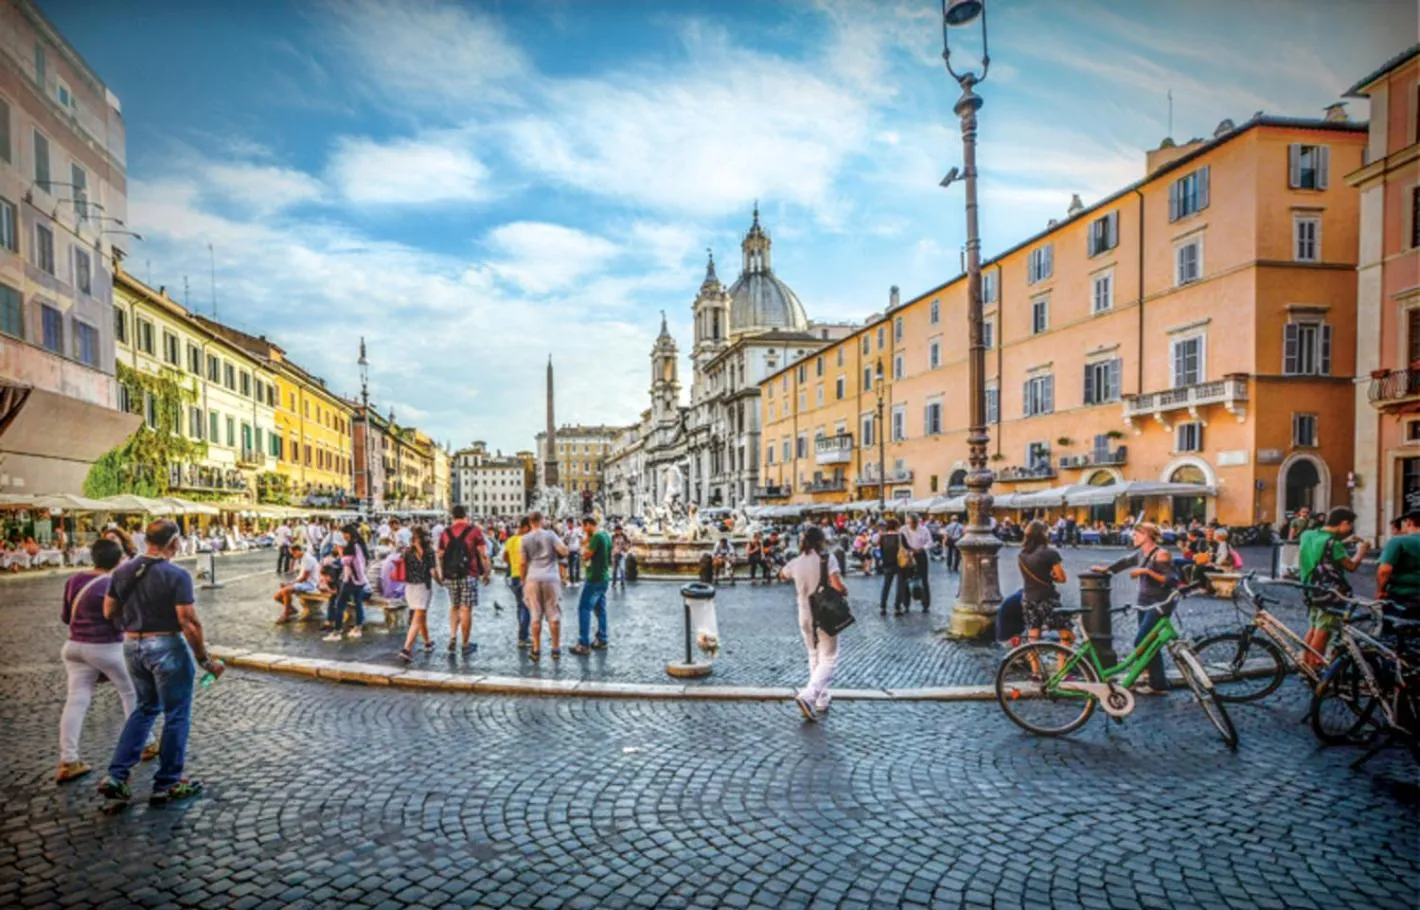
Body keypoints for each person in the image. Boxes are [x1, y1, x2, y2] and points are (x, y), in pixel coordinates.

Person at [97, 519, 223, 806]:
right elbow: (189, 622)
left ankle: (117, 775)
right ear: (174, 542)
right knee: (176, 713)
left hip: (132, 645)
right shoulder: (176, 575)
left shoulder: (123, 571)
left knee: (144, 708)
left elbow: (108, 610)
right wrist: (205, 660)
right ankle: (168, 782)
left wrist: (134, 619)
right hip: (166, 644)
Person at [56, 538, 158, 784]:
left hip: (73, 647)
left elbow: (65, 617)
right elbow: (118, 621)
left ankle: (68, 760)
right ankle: (147, 743)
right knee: (132, 693)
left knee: (76, 700)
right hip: (106, 647)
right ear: (119, 559)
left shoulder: (74, 580)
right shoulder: (114, 583)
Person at [1091, 522, 1178, 697]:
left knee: (1142, 642)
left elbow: (1170, 581)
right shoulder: (1140, 553)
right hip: (1144, 602)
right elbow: (1125, 562)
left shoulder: (1161, 555)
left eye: (1136, 534)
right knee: (1150, 643)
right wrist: (1107, 569)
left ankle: (1154, 680)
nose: (1133, 537)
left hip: (1159, 604)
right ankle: (1158, 683)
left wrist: (1146, 571)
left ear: (1146, 534)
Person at [781, 525, 847, 722]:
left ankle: (821, 698)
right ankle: (809, 695)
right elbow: (837, 585)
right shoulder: (827, 559)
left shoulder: (795, 562)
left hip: (804, 614)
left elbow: (782, 574)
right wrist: (844, 590)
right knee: (829, 657)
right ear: (820, 541)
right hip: (824, 612)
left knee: (813, 653)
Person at [1298, 507, 1369, 669]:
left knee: (1314, 626)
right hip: (1330, 592)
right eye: (1350, 525)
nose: (1350, 529)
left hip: (1311, 587)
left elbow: (1321, 547)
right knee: (1323, 631)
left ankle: (1305, 663)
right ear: (1343, 523)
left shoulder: (1308, 535)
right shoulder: (1333, 544)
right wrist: (1361, 551)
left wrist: (1343, 543)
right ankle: (1314, 668)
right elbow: (1351, 566)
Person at [437, 506, 490, 655]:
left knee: (454, 606)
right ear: (465, 515)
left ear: (452, 516)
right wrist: (486, 572)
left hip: (451, 574)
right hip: (469, 574)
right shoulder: (474, 531)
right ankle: (465, 644)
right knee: (466, 608)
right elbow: (483, 554)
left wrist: (442, 574)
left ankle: (453, 636)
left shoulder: (445, 533)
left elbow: (440, 555)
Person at [520, 511, 568, 661]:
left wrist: (523, 580)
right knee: (553, 614)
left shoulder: (524, 539)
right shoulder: (551, 534)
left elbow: (522, 563)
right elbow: (564, 552)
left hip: (533, 577)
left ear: (529, 522)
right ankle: (555, 649)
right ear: (542, 520)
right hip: (551, 577)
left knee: (535, 615)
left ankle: (536, 649)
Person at [1018, 520, 1069, 642]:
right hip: (1047, 598)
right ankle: (1061, 662)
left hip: (1028, 597)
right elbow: (1062, 578)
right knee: (1067, 635)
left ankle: (1034, 662)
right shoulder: (1049, 553)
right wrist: (1052, 577)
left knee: (1033, 635)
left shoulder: (1021, 554)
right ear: (1043, 534)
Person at [570, 515, 612, 656]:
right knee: (600, 609)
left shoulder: (596, 537)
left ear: (589, 524)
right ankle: (602, 638)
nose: (582, 529)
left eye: (583, 525)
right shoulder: (606, 535)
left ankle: (583, 644)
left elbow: (586, 555)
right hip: (604, 577)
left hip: (594, 578)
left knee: (584, 608)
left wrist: (583, 545)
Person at [323, 524, 370, 642]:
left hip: (351, 580)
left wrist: (340, 551)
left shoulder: (351, 546)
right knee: (358, 603)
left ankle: (337, 632)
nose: (344, 536)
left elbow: (345, 562)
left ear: (349, 533)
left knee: (339, 604)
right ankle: (358, 628)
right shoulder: (360, 544)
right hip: (361, 579)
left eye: (344, 533)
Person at [398, 527, 439, 661]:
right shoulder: (429, 552)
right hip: (423, 587)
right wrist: (440, 581)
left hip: (409, 587)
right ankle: (406, 649)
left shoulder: (407, 551)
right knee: (417, 618)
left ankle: (428, 642)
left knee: (421, 615)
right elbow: (433, 572)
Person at [1377, 510, 1420, 618]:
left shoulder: (1397, 541)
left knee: (1392, 631)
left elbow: (1384, 570)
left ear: (1409, 522)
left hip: (1403, 596)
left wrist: (1380, 591)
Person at [273, 544, 320, 623]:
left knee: (286, 590)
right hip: (304, 582)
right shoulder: (303, 558)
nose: (293, 556)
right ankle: (292, 609)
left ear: (297, 551)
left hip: (310, 584)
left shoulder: (307, 559)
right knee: (276, 596)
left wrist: (290, 583)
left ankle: (286, 614)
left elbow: (304, 578)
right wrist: (290, 583)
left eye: (293, 554)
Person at [505, 517, 531, 648]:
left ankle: (523, 632)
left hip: (514, 576)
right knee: (527, 607)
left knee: (520, 606)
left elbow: (504, 556)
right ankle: (523, 636)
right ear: (525, 527)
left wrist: (511, 563)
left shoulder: (510, 540)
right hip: (525, 576)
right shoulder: (526, 540)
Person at [878, 518, 910, 616]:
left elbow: (881, 550)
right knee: (899, 586)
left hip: (887, 563)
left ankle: (883, 607)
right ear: (896, 526)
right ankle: (897, 608)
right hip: (899, 563)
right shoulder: (900, 536)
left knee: (886, 586)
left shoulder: (882, 537)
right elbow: (907, 548)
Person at [903, 513, 933, 611]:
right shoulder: (904, 530)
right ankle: (906, 605)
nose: (912, 525)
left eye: (914, 523)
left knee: (924, 580)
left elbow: (930, 542)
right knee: (906, 580)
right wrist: (908, 550)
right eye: (911, 523)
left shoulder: (924, 530)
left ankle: (925, 605)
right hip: (908, 555)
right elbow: (901, 542)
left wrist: (922, 548)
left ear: (917, 522)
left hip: (921, 554)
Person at [563, 518, 584, 586]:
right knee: (570, 567)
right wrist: (568, 536)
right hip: (570, 551)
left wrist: (580, 547)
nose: (568, 525)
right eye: (567, 523)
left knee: (577, 566)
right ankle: (572, 581)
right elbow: (565, 542)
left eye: (569, 523)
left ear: (572, 523)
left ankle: (577, 581)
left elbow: (582, 538)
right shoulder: (566, 531)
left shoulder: (577, 530)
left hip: (576, 550)